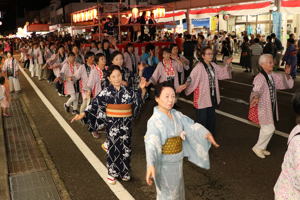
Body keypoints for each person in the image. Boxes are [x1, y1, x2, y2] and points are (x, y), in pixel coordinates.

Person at [71, 65, 147, 184]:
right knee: (113, 148)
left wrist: (142, 89)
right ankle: (112, 172)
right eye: (113, 77)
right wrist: (83, 114)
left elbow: (137, 101)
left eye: (119, 76)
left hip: (126, 126)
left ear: (122, 76)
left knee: (126, 148)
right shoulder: (106, 92)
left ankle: (124, 171)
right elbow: (95, 104)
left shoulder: (128, 91)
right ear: (109, 79)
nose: (117, 79)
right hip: (112, 125)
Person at [145, 82, 219, 200]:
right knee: (168, 195)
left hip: (177, 160)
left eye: (173, 96)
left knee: (178, 192)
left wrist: (205, 133)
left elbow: (191, 126)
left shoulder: (176, 114)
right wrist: (150, 164)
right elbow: (151, 143)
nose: (170, 100)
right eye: (167, 96)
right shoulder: (154, 121)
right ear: (157, 98)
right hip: (165, 164)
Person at [180, 47, 233, 136]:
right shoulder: (199, 66)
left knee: (211, 117)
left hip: (212, 96)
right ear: (203, 56)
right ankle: (200, 138)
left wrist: (227, 64)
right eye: (208, 54)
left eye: (211, 54)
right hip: (202, 96)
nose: (211, 55)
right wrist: (185, 85)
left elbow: (222, 73)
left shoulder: (213, 65)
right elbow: (191, 78)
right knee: (202, 118)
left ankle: (209, 136)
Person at [249, 54, 294, 159]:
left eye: (272, 61)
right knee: (269, 128)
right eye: (270, 62)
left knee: (266, 128)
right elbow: (256, 90)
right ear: (262, 64)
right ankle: (258, 148)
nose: (272, 63)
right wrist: (255, 97)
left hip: (271, 107)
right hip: (263, 107)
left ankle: (261, 147)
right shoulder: (259, 77)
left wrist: (287, 74)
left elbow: (285, 84)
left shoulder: (272, 75)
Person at [274, 92, 300, 199]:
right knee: (268, 129)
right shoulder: (299, 142)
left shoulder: (297, 128)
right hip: (289, 195)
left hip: (286, 190)